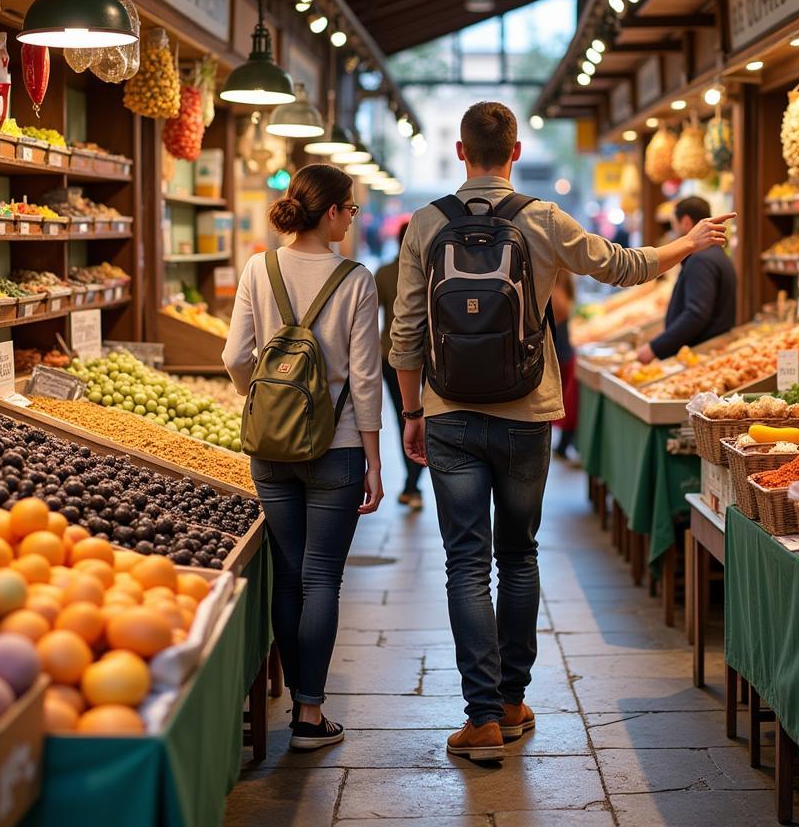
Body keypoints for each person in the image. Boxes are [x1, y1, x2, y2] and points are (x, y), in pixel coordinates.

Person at [388, 101, 733, 763]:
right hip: (527, 412)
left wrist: (411, 413)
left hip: (452, 413)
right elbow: (622, 267)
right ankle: (513, 701)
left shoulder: (427, 222)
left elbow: (405, 332)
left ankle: (481, 718)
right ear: (514, 152)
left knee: (466, 560)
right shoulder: (541, 219)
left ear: (459, 152)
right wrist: (687, 243)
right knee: (518, 554)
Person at [222, 163, 383, 752]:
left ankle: (298, 705)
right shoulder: (355, 280)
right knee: (322, 579)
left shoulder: (257, 269)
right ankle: (309, 715)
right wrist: (374, 457)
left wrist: (261, 400)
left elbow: (235, 353)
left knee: (288, 577)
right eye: (352, 209)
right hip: (335, 448)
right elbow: (366, 380)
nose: (353, 219)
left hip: (269, 449)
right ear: (335, 211)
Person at [635, 195, 737, 364]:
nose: (674, 233)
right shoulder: (716, 254)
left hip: (701, 355)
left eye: (674, 225)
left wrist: (655, 348)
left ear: (686, 223)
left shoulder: (701, 259)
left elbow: (696, 314)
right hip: (709, 352)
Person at [375, 220, 425, 510]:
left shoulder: (384, 272)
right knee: (425, 418)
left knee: (405, 418)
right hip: (430, 359)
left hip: (392, 358)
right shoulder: (431, 270)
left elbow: (370, 320)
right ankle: (413, 482)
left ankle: (412, 483)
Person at [551, 269, 577, 461]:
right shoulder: (560, 278)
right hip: (561, 352)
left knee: (566, 403)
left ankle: (563, 445)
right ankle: (562, 445)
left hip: (561, 352)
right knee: (565, 403)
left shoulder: (558, 279)